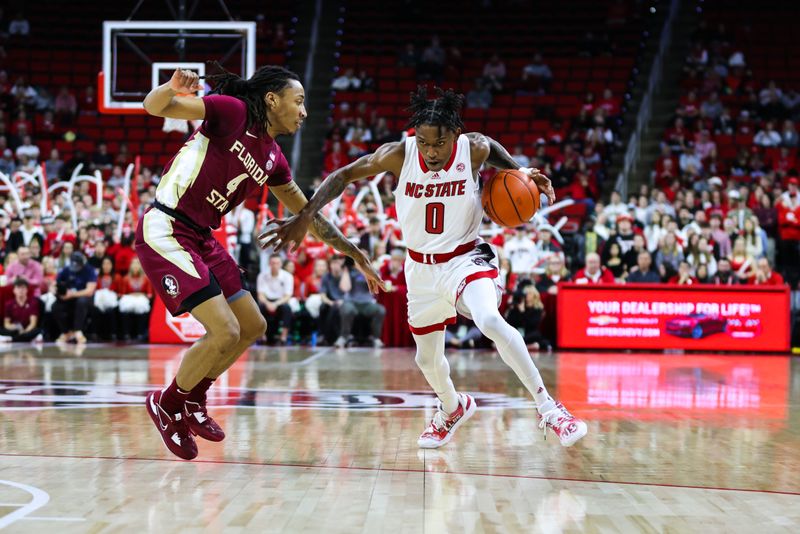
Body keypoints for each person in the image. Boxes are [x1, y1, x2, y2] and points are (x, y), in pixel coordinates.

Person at [262, 86, 587, 448]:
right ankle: (452, 407)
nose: (431, 152)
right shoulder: (399, 154)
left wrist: (519, 171)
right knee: (426, 359)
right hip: (420, 270)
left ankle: (549, 408)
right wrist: (306, 215)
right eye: (425, 142)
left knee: (490, 319)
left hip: (466, 259)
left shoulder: (473, 148)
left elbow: (492, 147)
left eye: (440, 143)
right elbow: (342, 176)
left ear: (455, 137)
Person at [136, 65, 383, 460]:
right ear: (272, 99)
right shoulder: (231, 112)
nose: (304, 112)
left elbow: (310, 218)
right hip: (167, 225)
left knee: (253, 325)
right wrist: (169, 89)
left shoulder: (273, 158)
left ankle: (195, 396)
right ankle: (167, 403)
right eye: (298, 101)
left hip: (203, 237)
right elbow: (155, 107)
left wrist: (356, 253)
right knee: (224, 330)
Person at [335, 253, 386, 348]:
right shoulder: (349, 270)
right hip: (352, 302)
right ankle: (344, 337)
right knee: (346, 309)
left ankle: (376, 338)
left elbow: (375, 282)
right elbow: (345, 288)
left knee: (380, 310)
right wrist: (346, 269)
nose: (360, 261)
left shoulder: (373, 271)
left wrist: (361, 268)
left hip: (367, 304)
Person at [53, 251, 97, 344]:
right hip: (68, 297)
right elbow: (55, 284)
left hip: (84, 297)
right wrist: (57, 292)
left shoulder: (90, 270)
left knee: (81, 302)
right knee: (55, 306)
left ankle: (78, 331)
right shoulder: (66, 270)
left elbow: (89, 291)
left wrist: (72, 294)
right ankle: (66, 332)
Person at [256, 253, 294, 345]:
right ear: (269, 264)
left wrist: (276, 304)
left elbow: (287, 296)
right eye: (273, 263)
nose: (275, 265)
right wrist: (268, 303)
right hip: (267, 300)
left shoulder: (287, 276)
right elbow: (260, 295)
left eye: (277, 263)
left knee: (287, 308)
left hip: (281, 301)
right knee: (259, 307)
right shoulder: (262, 276)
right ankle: (262, 336)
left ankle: (283, 336)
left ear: (281, 264)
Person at [0, 278, 42, 343]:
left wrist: (24, 331)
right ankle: (22, 338)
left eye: (23, 288)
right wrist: (15, 327)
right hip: (15, 330)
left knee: (37, 331)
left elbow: (33, 323)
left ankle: (12, 339)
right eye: (18, 288)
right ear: (14, 290)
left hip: (28, 329)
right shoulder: (9, 304)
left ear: (27, 290)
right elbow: (6, 324)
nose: (20, 290)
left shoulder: (33, 302)